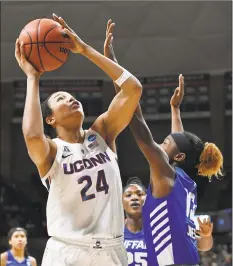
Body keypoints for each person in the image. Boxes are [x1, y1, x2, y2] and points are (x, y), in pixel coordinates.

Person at [15, 14, 142, 266]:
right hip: (67, 250)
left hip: (112, 250)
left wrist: (85, 50)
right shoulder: (51, 151)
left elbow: (133, 89)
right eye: (61, 98)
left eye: (73, 96)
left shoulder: (102, 132)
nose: (72, 99)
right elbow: (31, 135)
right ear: (50, 119)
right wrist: (33, 78)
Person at [103, 20, 219, 266]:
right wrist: (174, 109)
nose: (160, 144)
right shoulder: (185, 181)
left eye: (164, 142)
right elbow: (180, 145)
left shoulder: (168, 173)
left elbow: (133, 112)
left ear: (177, 157)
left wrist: (112, 64)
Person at [122, 177, 148, 266]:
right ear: (121, 202)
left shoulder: (159, 233)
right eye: (128, 195)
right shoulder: (113, 234)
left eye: (140, 194)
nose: (134, 198)